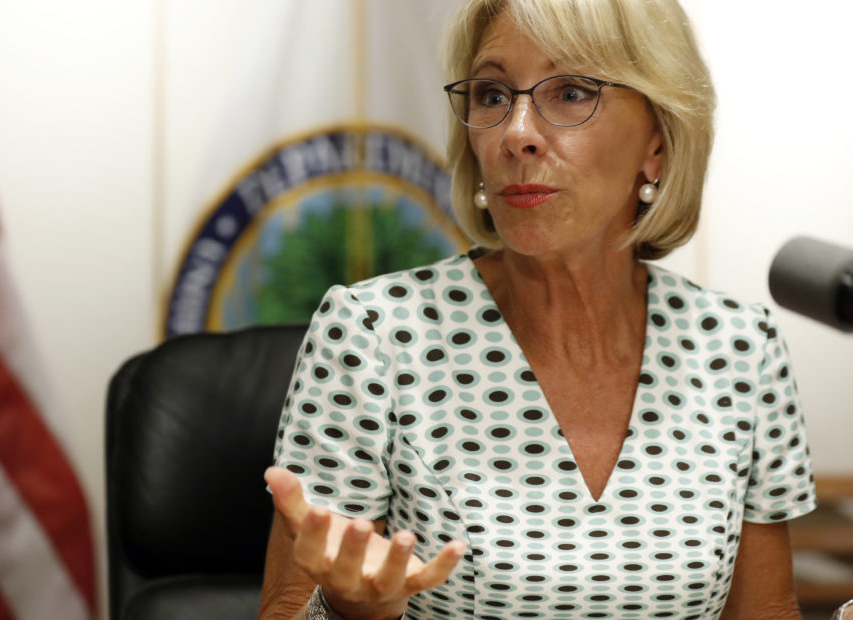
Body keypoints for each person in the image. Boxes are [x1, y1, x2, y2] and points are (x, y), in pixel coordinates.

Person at [258, 0, 817, 619]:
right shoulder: (373, 334)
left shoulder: (740, 346)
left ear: (656, 144)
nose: (516, 132)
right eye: (492, 95)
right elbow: (285, 608)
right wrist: (348, 612)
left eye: (572, 92)